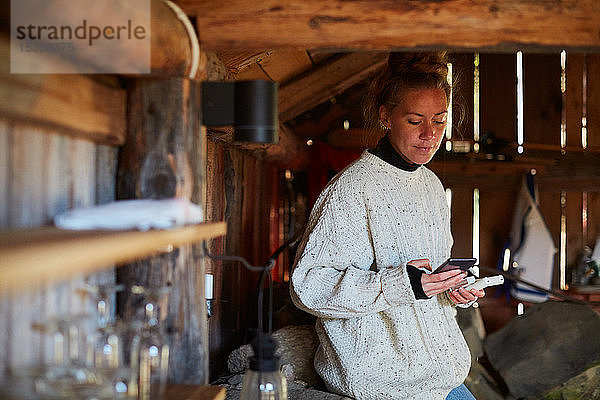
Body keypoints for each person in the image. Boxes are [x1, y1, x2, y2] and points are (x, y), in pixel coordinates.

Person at [289, 52, 485, 400]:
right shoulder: (351, 190)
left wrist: (451, 288)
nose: (430, 134)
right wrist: (402, 283)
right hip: (382, 382)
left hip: (442, 375)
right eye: (415, 121)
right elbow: (308, 285)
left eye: (439, 121)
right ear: (386, 117)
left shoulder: (432, 187)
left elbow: (424, 282)